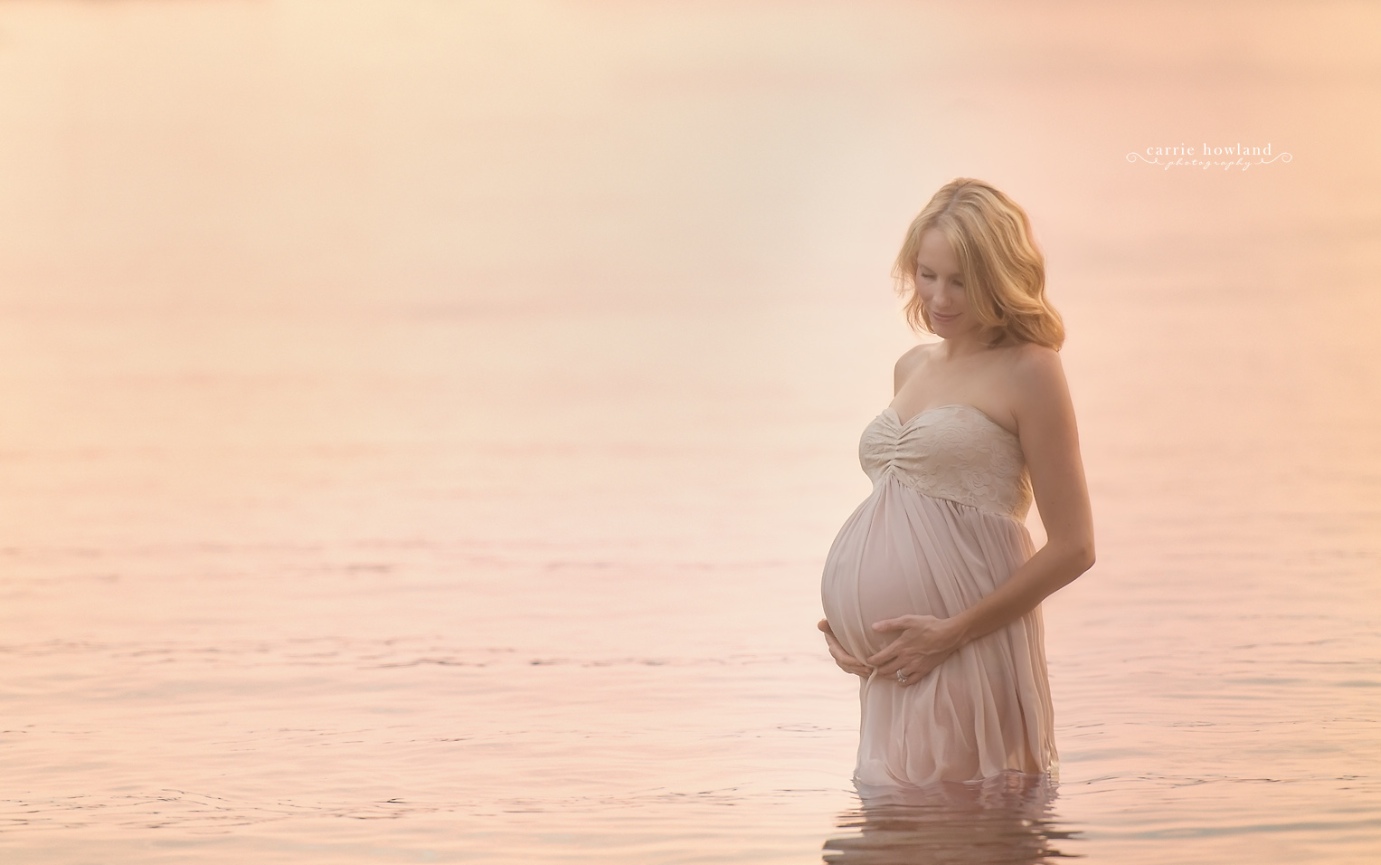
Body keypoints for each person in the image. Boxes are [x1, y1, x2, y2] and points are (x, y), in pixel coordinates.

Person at [817, 178, 1095, 790]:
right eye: (927, 274)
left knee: (961, 829)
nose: (939, 298)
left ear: (999, 276)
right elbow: (903, 508)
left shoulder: (1031, 371)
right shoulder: (911, 367)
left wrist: (950, 633)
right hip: (895, 668)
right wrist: (851, 627)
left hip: (966, 648)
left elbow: (1075, 546)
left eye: (961, 280)